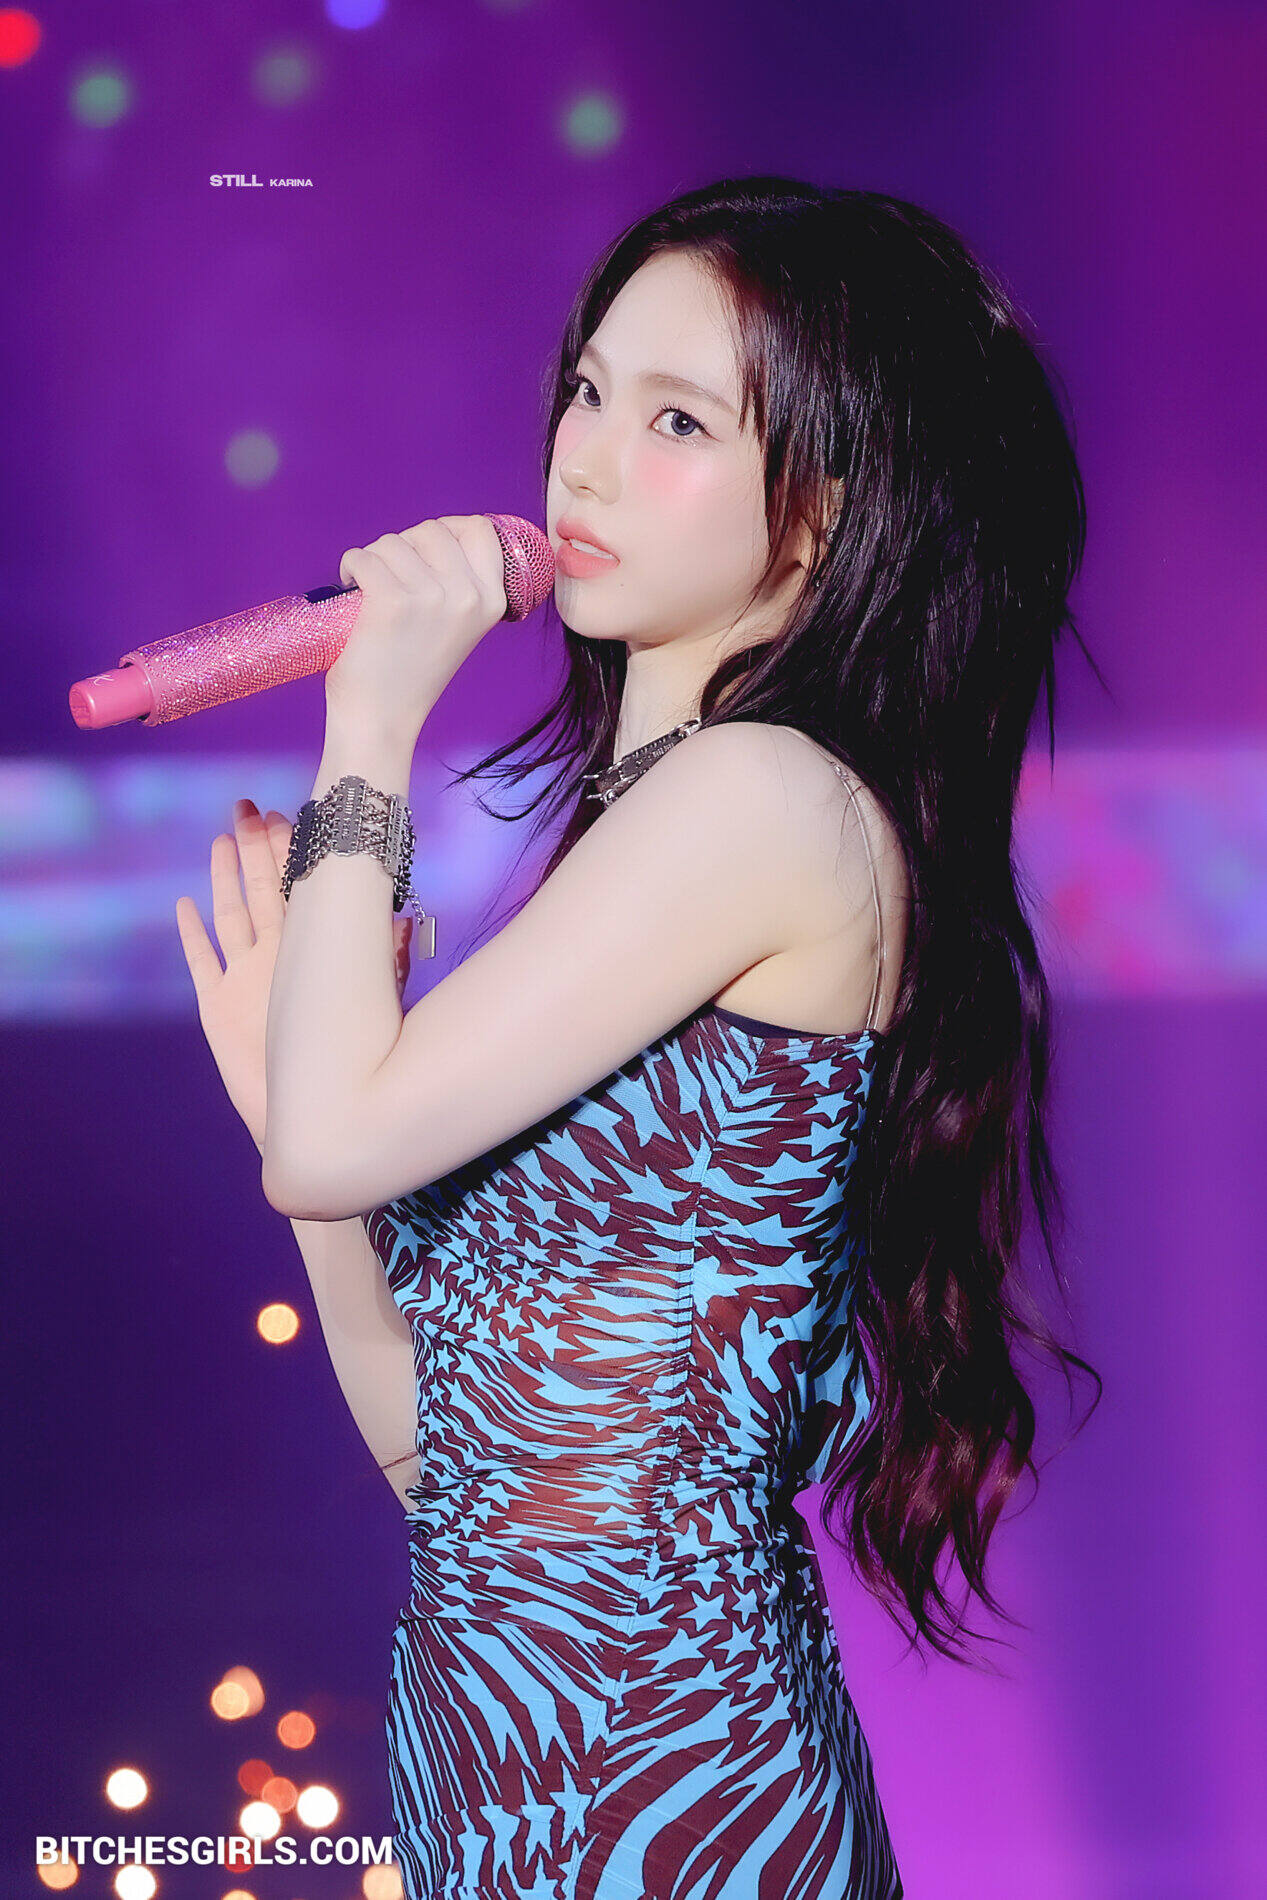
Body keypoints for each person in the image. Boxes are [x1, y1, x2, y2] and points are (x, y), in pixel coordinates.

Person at [177, 175, 1101, 1900]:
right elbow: (450, 1470)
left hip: (670, 1783)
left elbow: (338, 1135)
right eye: (590, 392)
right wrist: (298, 1143)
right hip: (498, 1782)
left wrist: (370, 721)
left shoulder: (770, 798)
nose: (585, 462)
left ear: (824, 515)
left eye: (677, 420)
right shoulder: (653, 837)